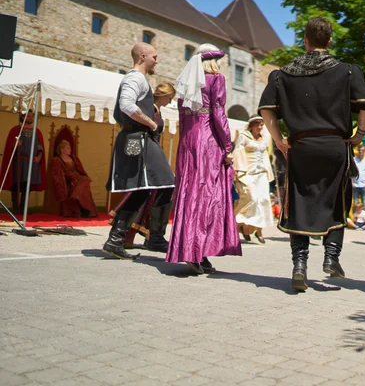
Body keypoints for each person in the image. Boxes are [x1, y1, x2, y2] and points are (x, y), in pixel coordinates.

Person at [259, 17, 365, 292]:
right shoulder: (347, 71)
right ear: (330, 41)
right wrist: (359, 135)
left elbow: (266, 109)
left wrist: (279, 140)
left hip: (301, 146)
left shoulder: (283, 74)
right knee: (336, 200)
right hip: (335, 145)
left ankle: (299, 265)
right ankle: (331, 258)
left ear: (305, 40)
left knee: (298, 203)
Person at [166, 44, 241, 273]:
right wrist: (228, 147)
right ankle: (197, 251)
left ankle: (192, 250)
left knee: (189, 195)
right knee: (208, 197)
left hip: (188, 142)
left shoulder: (186, 86)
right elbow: (219, 114)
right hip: (208, 143)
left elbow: (182, 119)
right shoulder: (215, 79)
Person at [102, 43, 175, 259]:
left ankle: (117, 239)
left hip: (136, 138)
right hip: (139, 138)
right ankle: (153, 237)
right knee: (167, 182)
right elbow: (126, 105)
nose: (157, 60)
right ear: (143, 56)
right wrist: (151, 124)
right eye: (154, 56)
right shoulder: (135, 78)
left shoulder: (139, 79)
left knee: (143, 188)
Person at [233, 115, 275, 244]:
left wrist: (269, 172)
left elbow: (265, 156)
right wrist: (240, 172)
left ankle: (259, 230)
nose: (260, 127)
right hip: (248, 173)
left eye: (262, 124)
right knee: (251, 199)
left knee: (263, 200)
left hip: (261, 174)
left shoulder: (264, 139)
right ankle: (243, 226)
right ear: (252, 125)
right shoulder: (244, 137)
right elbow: (238, 153)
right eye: (258, 124)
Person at [0, 111, 47, 212]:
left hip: (31, 162)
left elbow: (40, 146)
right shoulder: (16, 130)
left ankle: (23, 207)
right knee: (16, 183)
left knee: (27, 185)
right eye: (28, 116)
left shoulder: (36, 131)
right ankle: (15, 207)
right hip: (18, 161)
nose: (30, 118)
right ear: (22, 117)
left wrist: (39, 156)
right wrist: (15, 144)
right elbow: (9, 146)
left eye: (31, 116)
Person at [50, 140, 98, 218]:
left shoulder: (74, 158)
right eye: (68, 148)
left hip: (77, 177)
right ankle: (84, 209)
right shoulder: (57, 160)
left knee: (85, 180)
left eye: (70, 148)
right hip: (68, 180)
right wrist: (70, 176)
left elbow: (80, 169)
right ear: (62, 150)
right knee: (82, 185)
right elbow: (58, 174)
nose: (70, 150)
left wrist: (78, 176)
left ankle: (76, 196)